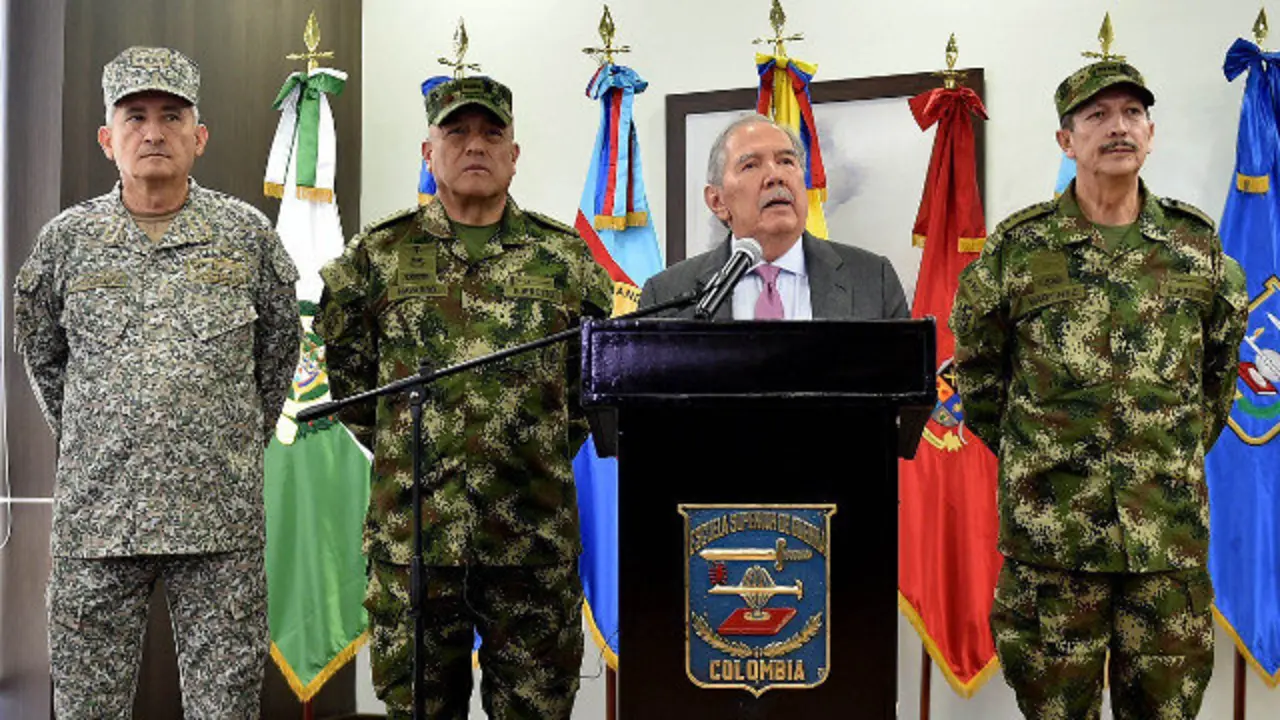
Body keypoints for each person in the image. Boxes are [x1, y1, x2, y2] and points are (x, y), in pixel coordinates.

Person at [950, 59, 1248, 719]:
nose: (1119, 128)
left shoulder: (1196, 248)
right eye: (1097, 115)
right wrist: (1047, 463)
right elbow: (976, 376)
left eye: (1132, 113)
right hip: (1052, 547)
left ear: (1150, 132)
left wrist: (1159, 460)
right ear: (1066, 141)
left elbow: (1219, 376)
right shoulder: (1017, 252)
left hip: (1164, 545)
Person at [13, 46, 300, 718]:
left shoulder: (245, 237)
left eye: (171, 116)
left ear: (198, 138)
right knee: (86, 708)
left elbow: (279, 353)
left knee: (225, 708)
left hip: (219, 524)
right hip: (98, 521)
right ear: (107, 139)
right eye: (135, 116)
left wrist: (218, 438)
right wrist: (100, 432)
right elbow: (43, 356)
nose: (153, 131)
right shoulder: (66, 242)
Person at [317, 75, 614, 719]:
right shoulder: (379, 255)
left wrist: (526, 447)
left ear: (515, 153)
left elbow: (585, 391)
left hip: (531, 543)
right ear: (429, 151)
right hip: (417, 543)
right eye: (456, 131)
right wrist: (410, 445)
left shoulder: (565, 258)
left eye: (491, 133)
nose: (474, 145)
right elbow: (353, 381)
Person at [638, 114, 908, 319]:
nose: (776, 176)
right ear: (717, 201)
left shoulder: (873, 279)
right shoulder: (667, 295)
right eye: (751, 165)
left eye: (786, 162)